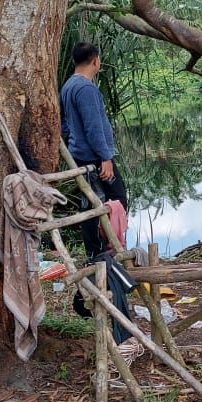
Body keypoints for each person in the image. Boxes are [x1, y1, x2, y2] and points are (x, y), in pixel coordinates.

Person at [60, 42, 129, 260]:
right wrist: (105, 157)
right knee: (118, 198)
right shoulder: (86, 89)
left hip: (79, 154)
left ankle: (96, 251)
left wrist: (73, 140)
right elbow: (94, 127)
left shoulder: (68, 86)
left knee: (90, 202)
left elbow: (63, 123)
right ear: (95, 61)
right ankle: (107, 248)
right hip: (94, 157)